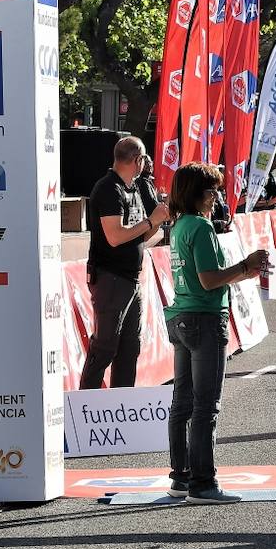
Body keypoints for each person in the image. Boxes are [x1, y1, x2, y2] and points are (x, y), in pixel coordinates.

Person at [162, 162, 269, 505]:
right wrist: (245, 264)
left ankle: (180, 477)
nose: (217, 197)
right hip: (205, 320)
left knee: (182, 403)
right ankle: (203, 483)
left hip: (181, 316)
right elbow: (209, 280)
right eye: (213, 191)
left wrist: (242, 273)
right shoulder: (202, 227)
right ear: (197, 194)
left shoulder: (179, 226)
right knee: (206, 406)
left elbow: (202, 278)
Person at [81, 137, 171, 390]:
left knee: (130, 348)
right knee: (105, 346)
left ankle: (123, 404)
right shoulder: (109, 188)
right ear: (138, 160)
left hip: (130, 278)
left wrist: (155, 223)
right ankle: (84, 403)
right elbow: (115, 236)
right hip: (110, 277)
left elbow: (139, 234)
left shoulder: (134, 187)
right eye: (143, 160)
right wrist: (151, 221)